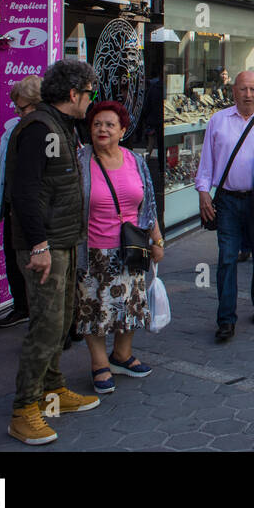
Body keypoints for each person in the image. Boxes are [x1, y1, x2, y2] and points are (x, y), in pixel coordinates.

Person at [5, 59, 99, 445]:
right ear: (73, 94)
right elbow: (24, 192)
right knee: (45, 325)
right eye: (89, 94)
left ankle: (52, 390)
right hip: (45, 246)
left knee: (60, 323)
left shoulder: (59, 125)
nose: (91, 102)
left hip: (62, 240)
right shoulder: (40, 128)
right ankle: (24, 409)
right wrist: (40, 244)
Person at [194, 71, 254, 342]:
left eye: (252, 89)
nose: (247, 94)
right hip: (226, 200)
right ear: (233, 91)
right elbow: (206, 162)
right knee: (226, 258)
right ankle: (226, 319)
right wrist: (203, 192)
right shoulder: (218, 121)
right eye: (242, 89)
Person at [75, 101, 164, 395]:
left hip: (132, 246)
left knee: (130, 305)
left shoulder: (134, 160)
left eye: (110, 124)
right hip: (93, 250)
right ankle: (99, 363)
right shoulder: (81, 160)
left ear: (123, 130)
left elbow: (148, 201)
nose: (103, 129)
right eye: (97, 124)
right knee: (94, 309)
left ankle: (122, 355)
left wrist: (157, 239)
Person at [0, 75, 42, 329]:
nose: (19, 112)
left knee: (27, 261)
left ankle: (35, 314)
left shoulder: (36, 130)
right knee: (14, 257)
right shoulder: (17, 130)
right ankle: (23, 307)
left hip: (30, 207)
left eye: (23, 107)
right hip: (17, 205)